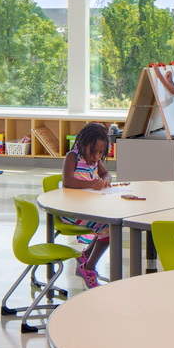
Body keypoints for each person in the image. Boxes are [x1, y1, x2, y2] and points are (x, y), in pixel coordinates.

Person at [60, 122, 113, 289]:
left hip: (88, 209)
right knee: (110, 231)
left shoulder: (95, 162)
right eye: (93, 151)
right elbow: (67, 181)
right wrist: (91, 183)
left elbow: (107, 173)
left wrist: (105, 180)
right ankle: (88, 267)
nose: (96, 156)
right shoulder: (73, 157)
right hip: (72, 211)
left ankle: (86, 256)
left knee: (111, 225)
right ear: (83, 145)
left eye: (100, 152)